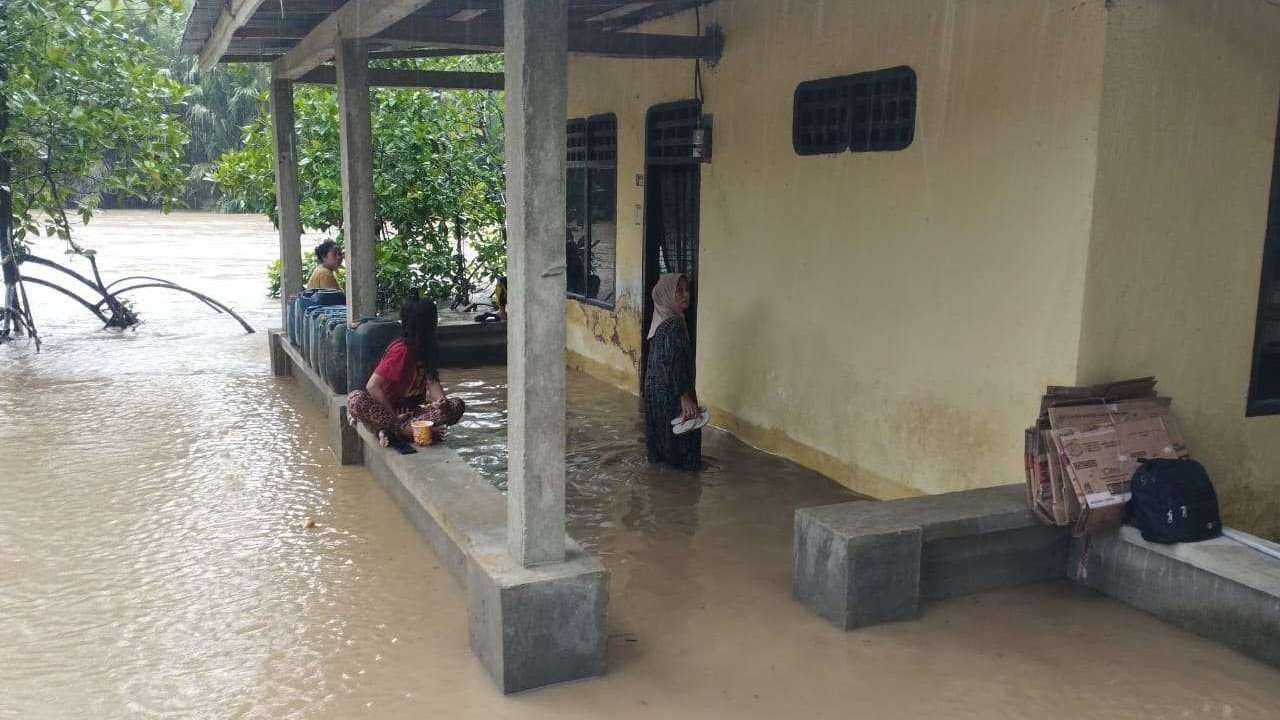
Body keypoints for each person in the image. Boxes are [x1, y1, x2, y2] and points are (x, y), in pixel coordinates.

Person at [346, 300, 465, 446]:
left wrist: (442, 403)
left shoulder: (427, 349)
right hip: (387, 410)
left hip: (413, 412)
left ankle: (389, 431)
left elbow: (432, 382)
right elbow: (372, 386)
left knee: (456, 405)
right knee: (355, 399)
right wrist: (394, 419)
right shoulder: (402, 350)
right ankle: (400, 430)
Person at [643, 273, 702, 470]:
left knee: (663, 450)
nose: (686, 295)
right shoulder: (673, 325)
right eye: (679, 291)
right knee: (684, 453)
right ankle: (685, 497)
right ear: (667, 294)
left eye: (687, 289)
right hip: (673, 396)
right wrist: (684, 396)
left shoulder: (660, 321)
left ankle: (663, 493)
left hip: (657, 396)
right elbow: (672, 362)